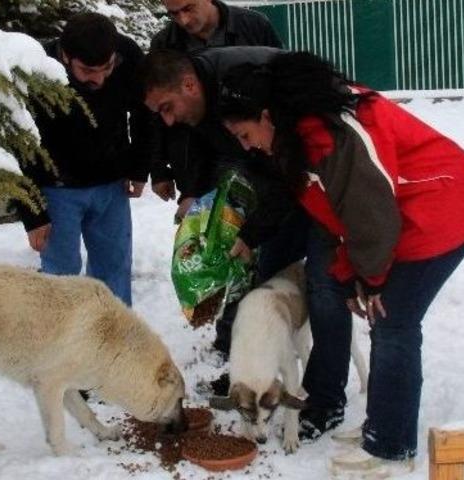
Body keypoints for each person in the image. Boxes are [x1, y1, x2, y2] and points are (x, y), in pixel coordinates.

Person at [216, 51, 464, 477]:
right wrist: (350, 275)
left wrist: (370, 280)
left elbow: (371, 217)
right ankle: (382, 426)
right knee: (385, 317)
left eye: (247, 135)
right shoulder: (298, 134)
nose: (249, 147)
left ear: (267, 116)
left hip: (441, 207)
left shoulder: (330, 135)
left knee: (392, 321)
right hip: (407, 212)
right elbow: (333, 214)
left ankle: (391, 444)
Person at [148, 2, 296, 386]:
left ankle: (282, 353)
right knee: (231, 255)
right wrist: (189, 188)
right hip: (231, 165)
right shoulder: (169, 50)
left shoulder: (250, 38)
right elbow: (186, 132)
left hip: (274, 162)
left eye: (187, 8)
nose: (182, 20)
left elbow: (280, 171)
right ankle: (233, 341)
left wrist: (253, 231)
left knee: (270, 260)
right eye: (172, 14)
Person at [16, 12, 151, 306]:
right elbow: (20, 143)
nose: (100, 79)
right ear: (66, 57)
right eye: (89, 70)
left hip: (111, 184)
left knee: (114, 270)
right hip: (56, 189)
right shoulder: (36, 67)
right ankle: (61, 346)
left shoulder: (126, 54)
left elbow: (145, 113)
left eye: (107, 67)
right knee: (61, 278)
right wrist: (33, 214)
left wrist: (140, 168)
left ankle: (114, 340)